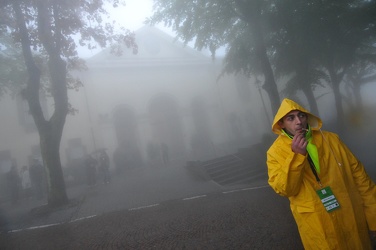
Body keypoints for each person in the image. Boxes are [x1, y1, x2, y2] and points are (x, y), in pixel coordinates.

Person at [266, 98, 376, 249]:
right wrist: (297, 156)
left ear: (307, 117)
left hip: (350, 216)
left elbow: (360, 178)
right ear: (281, 124)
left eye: (301, 116)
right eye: (291, 118)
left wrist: (374, 218)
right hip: (317, 225)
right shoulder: (275, 152)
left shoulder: (331, 139)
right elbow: (285, 189)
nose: (298, 121)